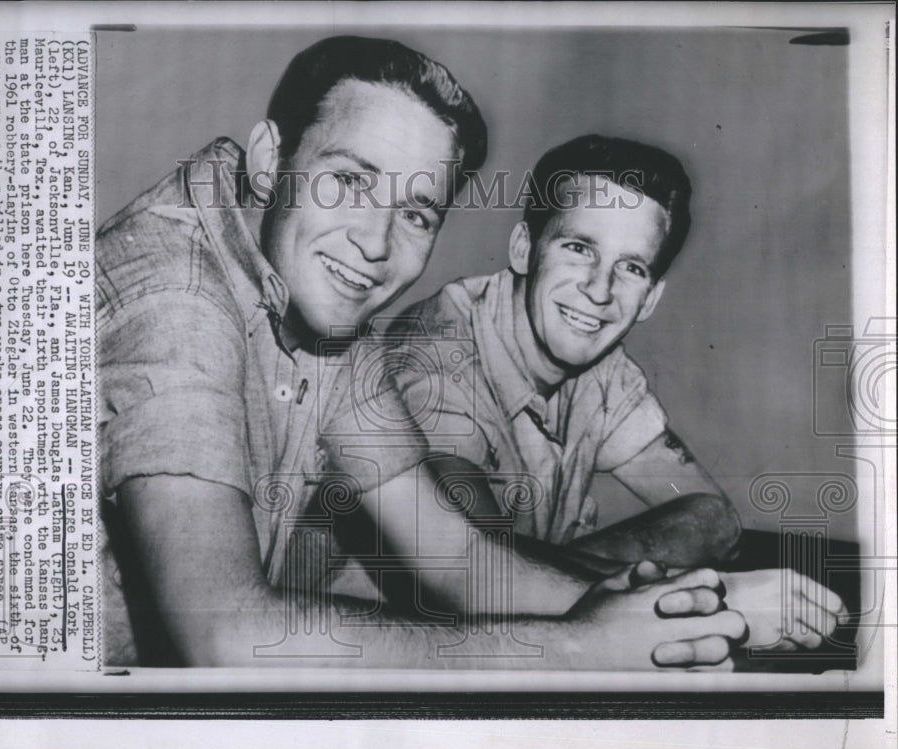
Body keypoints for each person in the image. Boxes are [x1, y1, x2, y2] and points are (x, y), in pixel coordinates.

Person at [97, 37, 748, 670]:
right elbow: (223, 638)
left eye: (416, 213)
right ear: (270, 160)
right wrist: (583, 646)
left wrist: (687, 612)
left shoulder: (324, 300)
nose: (374, 242)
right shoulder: (176, 296)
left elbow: (459, 559)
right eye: (349, 182)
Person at [388, 135, 848, 652]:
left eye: (631, 267)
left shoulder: (597, 363)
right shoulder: (435, 353)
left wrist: (599, 589)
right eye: (579, 248)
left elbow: (710, 517)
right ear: (523, 248)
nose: (600, 291)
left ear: (650, 299)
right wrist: (708, 601)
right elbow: (473, 574)